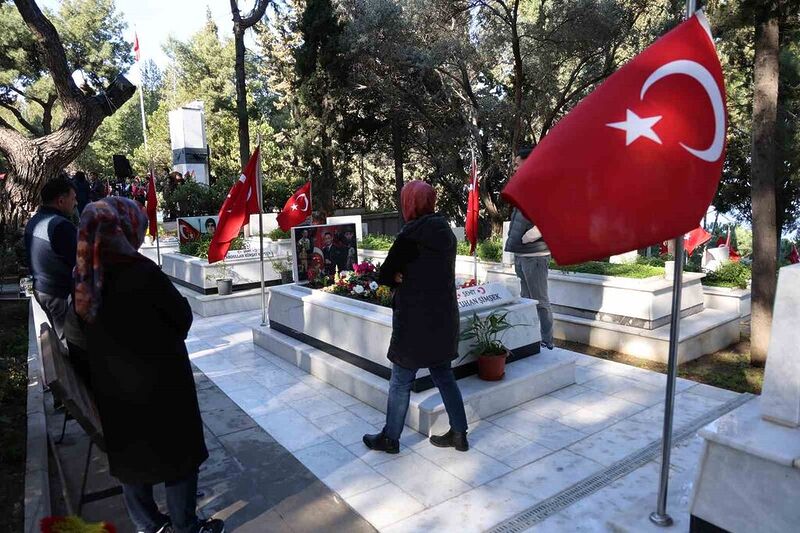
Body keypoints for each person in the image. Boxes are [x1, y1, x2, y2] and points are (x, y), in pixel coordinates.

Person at [74, 197, 224, 533]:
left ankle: (149, 524)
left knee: (132, 459)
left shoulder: (85, 278)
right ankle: (185, 526)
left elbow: (81, 332)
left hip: (114, 392)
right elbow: (181, 317)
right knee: (180, 458)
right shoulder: (140, 272)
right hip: (162, 387)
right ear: (123, 230)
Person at [363, 181, 469, 454]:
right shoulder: (446, 233)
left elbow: (385, 274)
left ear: (409, 203)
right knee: (444, 375)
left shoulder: (411, 235)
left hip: (414, 323)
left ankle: (390, 438)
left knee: (400, 381)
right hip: (443, 318)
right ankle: (459, 433)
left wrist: (399, 276)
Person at [504, 146, 554, 349]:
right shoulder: (526, 184)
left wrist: (526, 238)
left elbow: (549, 218)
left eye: (518, 163)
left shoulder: (541, 185)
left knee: (539, 301)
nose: (515, 167)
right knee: (526, 300)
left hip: (535, 254)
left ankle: (546, 340)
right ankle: (531, 338)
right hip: (522, 254)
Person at [24, 176, 78, 342]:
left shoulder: (34, 220)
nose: (75, 203)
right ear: (61, 201)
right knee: (70, 342)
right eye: (73, 198)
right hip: (58, 294)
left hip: (42, 289)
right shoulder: (60, 225)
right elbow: (79, 261)